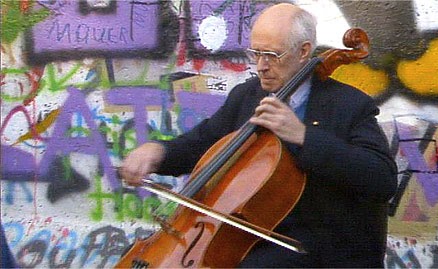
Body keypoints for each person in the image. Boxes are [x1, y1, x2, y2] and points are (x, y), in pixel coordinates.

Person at [120, 3, 398, 268]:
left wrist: (303, 136)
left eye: (272, 55)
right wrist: (158, 152)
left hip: (320, 249)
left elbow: (382, 179)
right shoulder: (248, 96)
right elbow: (202, 143)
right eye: (256, 53)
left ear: (303, 52)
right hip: (252, 242)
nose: (261, 65)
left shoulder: (348, 104)